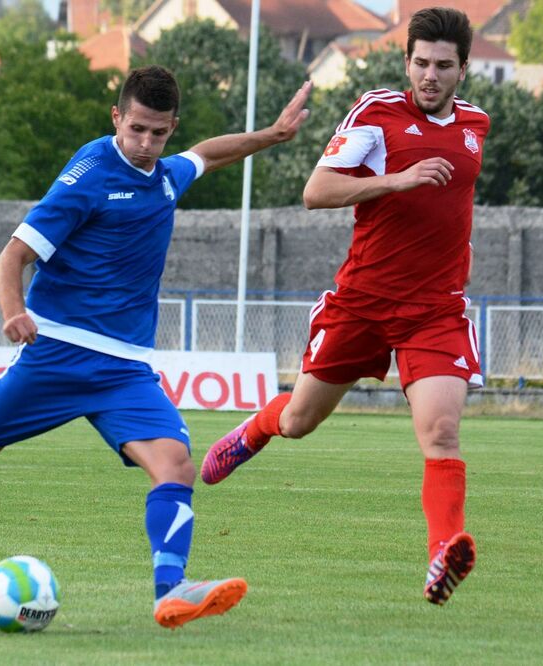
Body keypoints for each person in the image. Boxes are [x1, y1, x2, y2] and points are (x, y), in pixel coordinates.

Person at [0, 65, 312, 627]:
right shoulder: (88, 176)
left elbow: (207, 154)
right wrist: (14, 311)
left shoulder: (164, 175)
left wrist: (271, 136)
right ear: (117, 117)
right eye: (136, 128)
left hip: (125, 370)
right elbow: (12, 256)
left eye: (158, 133)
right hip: (58, 354)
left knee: (175, 466)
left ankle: (172, 590)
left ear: (170, 129)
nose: (145, 143)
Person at [200, 7, 488, 605]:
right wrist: (396, 180)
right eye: (421, 63)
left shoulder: (476, 124)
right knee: (299, 422)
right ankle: (256, 429)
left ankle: (442, 554)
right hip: (362, 302)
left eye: (443, 66)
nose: (430, 75)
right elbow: (316, 191)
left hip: (435, 309)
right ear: (406, 61)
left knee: (441, 430)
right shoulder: (377, 113)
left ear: (464, 68)